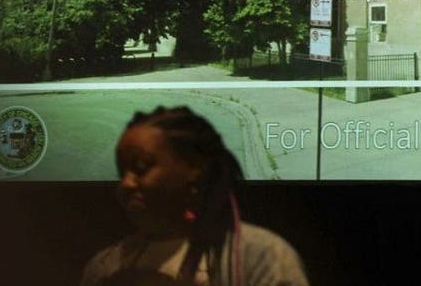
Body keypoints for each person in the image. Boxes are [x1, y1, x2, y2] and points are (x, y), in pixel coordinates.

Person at [81, 106, 308, 286]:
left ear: (193, 167)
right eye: (122, 172)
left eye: (142, 167)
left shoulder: (259, 256)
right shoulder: (104, 267)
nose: (126, 184)